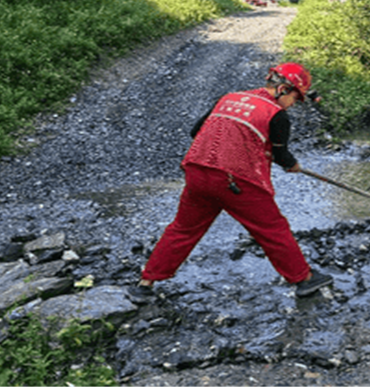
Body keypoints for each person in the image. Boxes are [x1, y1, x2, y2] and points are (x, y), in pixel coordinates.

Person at [133, 62, 333, 300]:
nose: (293, 105)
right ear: (283, 89)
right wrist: (292, 165)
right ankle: (304, 279)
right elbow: (281, 156)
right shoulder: (277, 115)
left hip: (197, 171)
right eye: (295, 99)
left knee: (183, 229)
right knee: (273, 229)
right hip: (236, 181)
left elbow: (196, 131)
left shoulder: (229, 97)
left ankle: (145, 283)